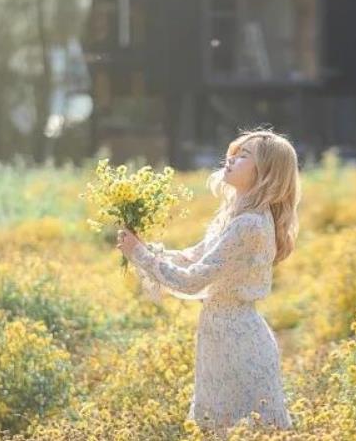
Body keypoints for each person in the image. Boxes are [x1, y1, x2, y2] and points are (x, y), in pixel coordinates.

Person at [116, 128, 300, 436]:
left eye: (244, 156)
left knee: (239, 430)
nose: (231, 159)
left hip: (239, 342)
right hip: (221, 336)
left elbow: (190, 281)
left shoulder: (250, 225)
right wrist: (144, 249)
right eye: (233, 153)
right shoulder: (236, 218)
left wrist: (141, 256)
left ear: (265, 173)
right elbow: (192, 257)